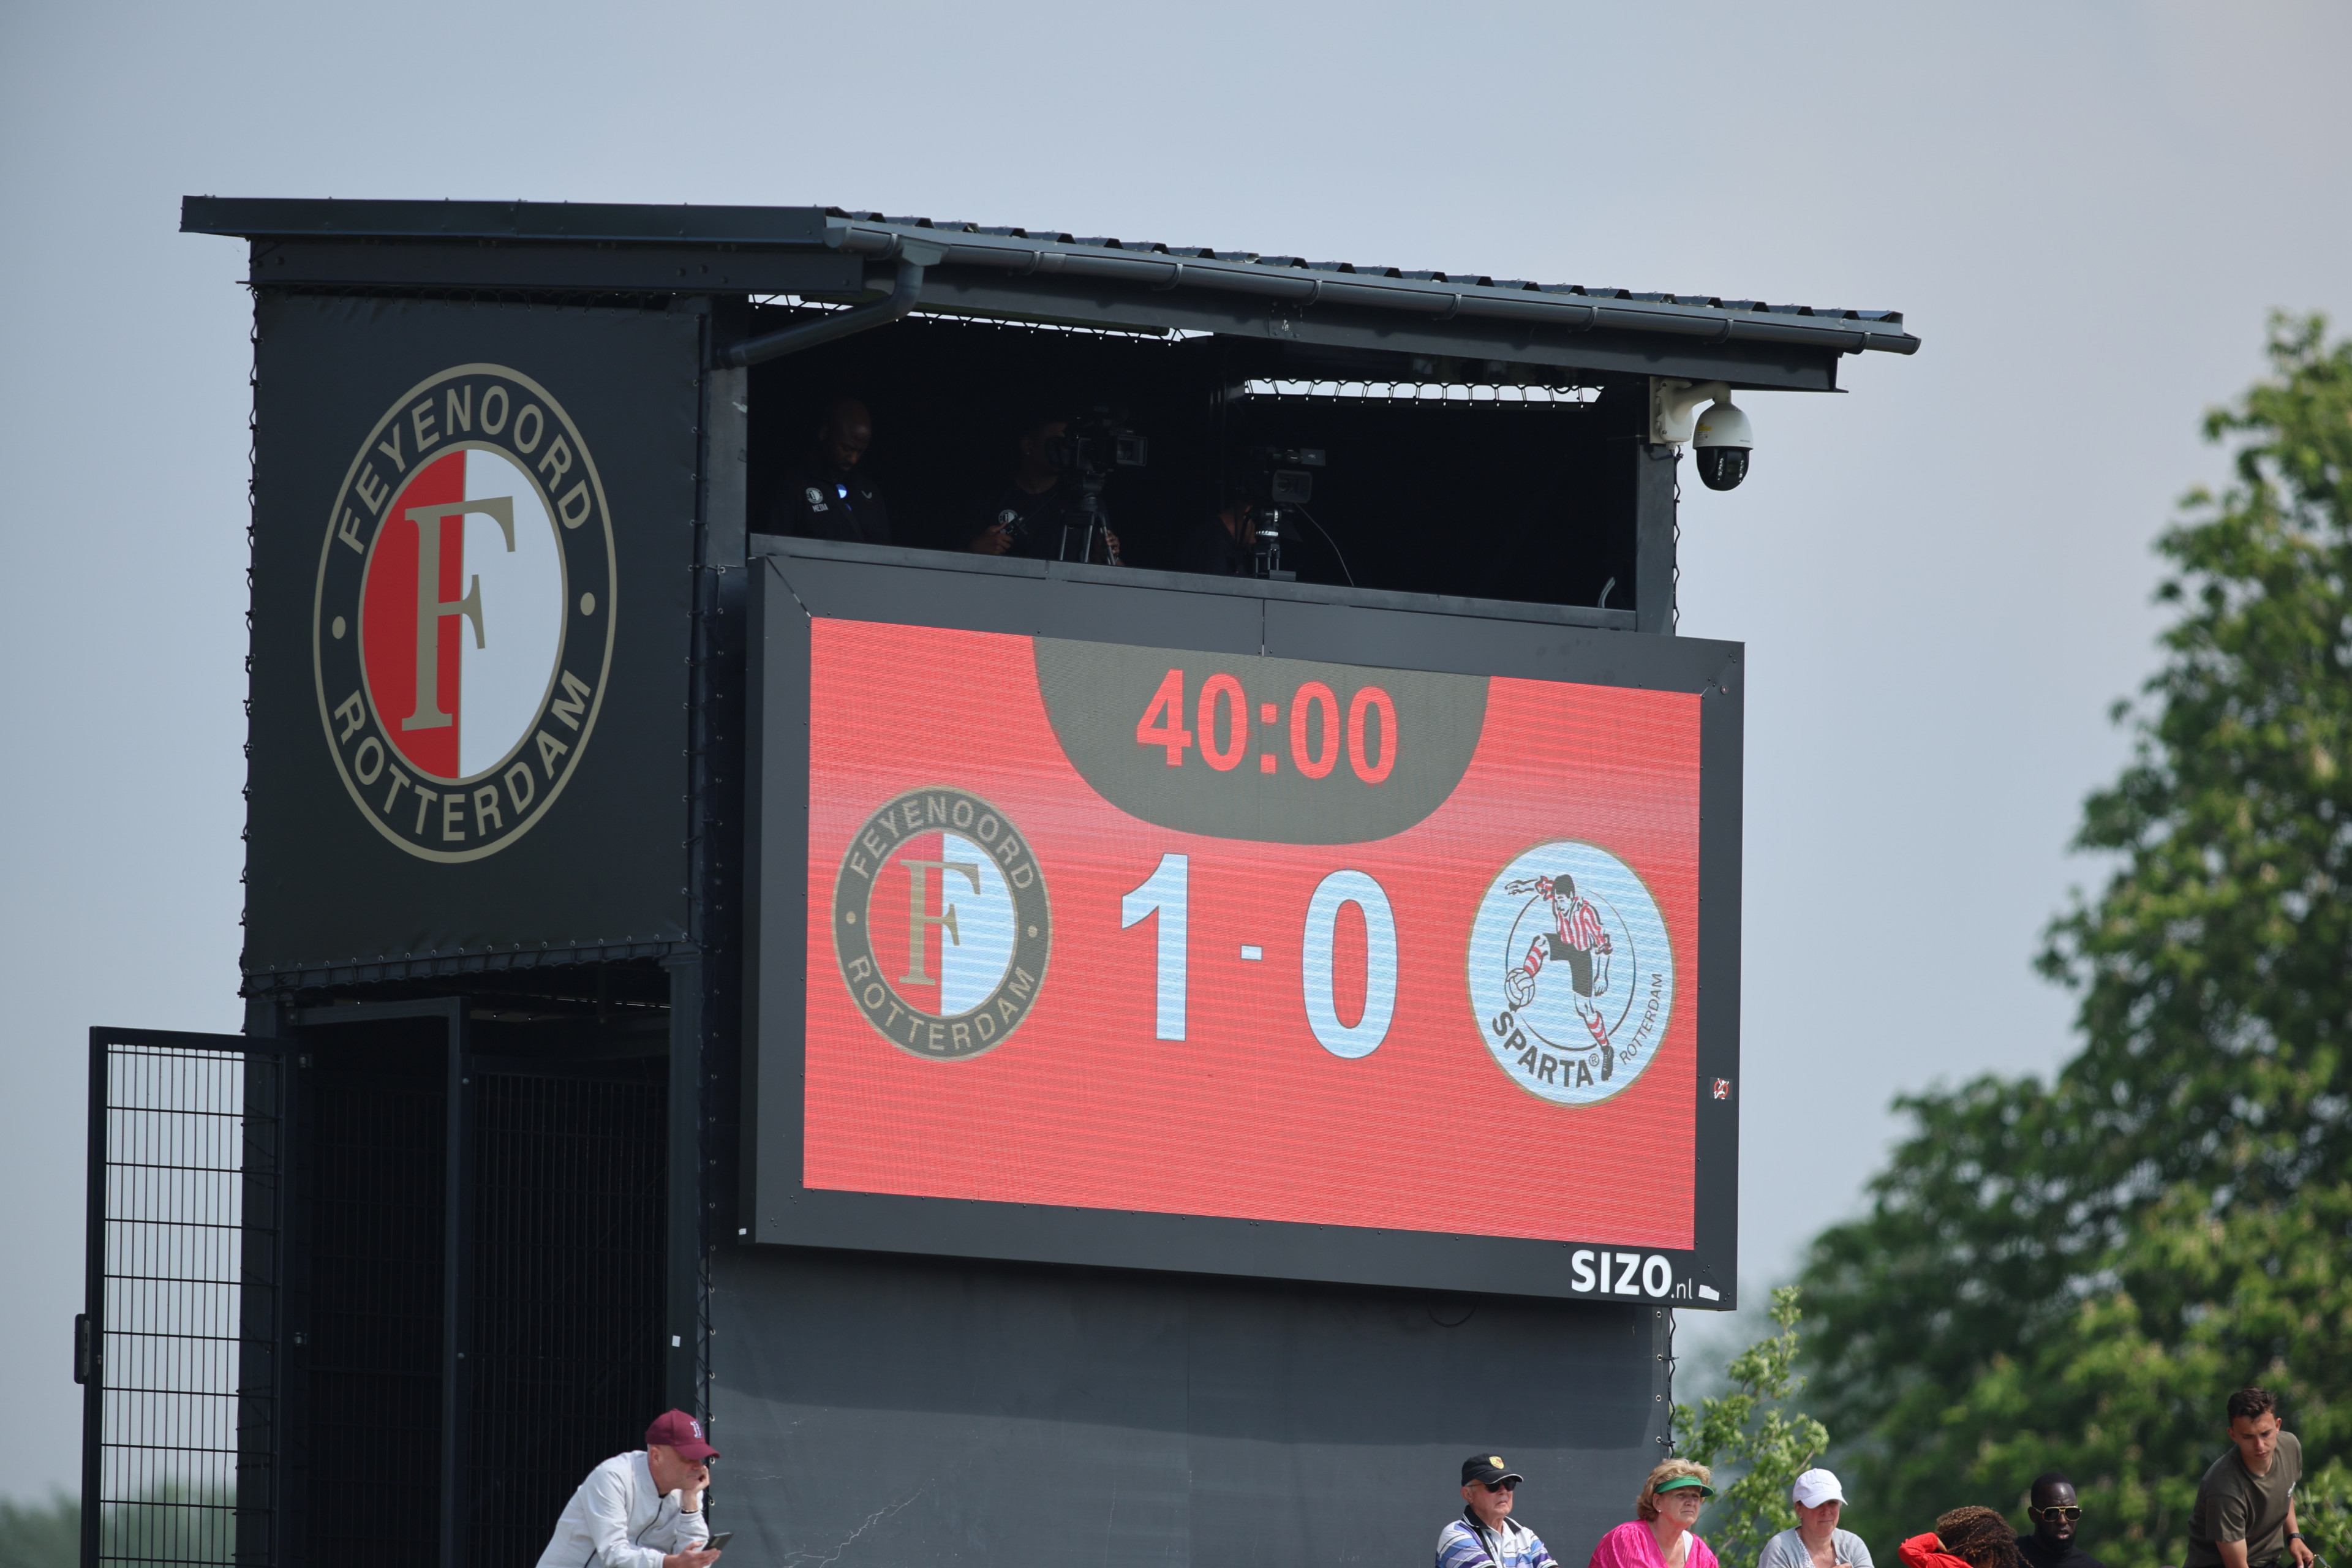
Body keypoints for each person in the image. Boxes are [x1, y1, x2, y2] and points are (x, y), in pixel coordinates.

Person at [535, 1409, 723, 1568]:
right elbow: (613, 1554)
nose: (698, 1466)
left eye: (700, 1457)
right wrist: (670, 1563)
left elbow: (694, 1561)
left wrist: (690, 1500)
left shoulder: (688, 1487)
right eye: (687, 1457)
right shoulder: (613, 1476)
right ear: (656, 1456)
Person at [966, 413, 1122, 564]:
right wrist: (974, 549)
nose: (1067, 450)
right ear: (1028, 445)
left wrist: (1107, 555)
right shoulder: (992, 498)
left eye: (1071, 444)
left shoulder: (1083, 498)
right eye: (1058, 443)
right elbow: (949, 558)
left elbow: (1113, 570)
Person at [2185, 1387, 2316, 1568]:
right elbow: (2236, 1565)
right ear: (2233, 1435)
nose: (2259, 1445)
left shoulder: (2290, 1447)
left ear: (2278, 1426)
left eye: (2265, 1434)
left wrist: (2295, 1537)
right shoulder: (2224, 1490)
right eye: (2248, 1437)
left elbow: (2286, 1491)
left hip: (2268, 1563)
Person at [771, 396, 891, 545]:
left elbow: (885, 555)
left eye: (860, 452)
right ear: (825, 434)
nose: (853, 459)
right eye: (847, 449)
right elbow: (775, 550)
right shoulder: (794, 485)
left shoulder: (868, 491)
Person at [1589, 1459, 1721, 1568]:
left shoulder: (1701, 1552)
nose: (1691, 1502)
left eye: (1695, 1496)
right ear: (1657, 1501)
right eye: (1681, 1495)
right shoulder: (1628, 1538)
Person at [1438, 1453, 1560, 1568]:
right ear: (1468, 1494)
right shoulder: (1456, 1535)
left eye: (1509, 1484)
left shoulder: (1525, 1535)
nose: (1504, 1491)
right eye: (1493, 1485)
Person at [1758, 1468, 1875, 1568]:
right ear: (1799, 1509)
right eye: (1818, 1504)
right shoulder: (1781, 1549)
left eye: (1832, 1503)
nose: (1826, 1511)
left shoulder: (1852, 1545)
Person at [2014, 1471, 2106, 1568]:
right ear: (2033, 1515)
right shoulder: (2007, 1557)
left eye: (2071, 1512)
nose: (2063, 1521)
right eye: (2052, 1513)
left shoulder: (2092, 1566)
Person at [1899, 1506, 2023, 1568]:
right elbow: (1909, 1552)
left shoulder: (1947, 1563)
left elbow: (1909, 1551)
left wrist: (1933, 1539)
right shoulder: (1953, 1564)